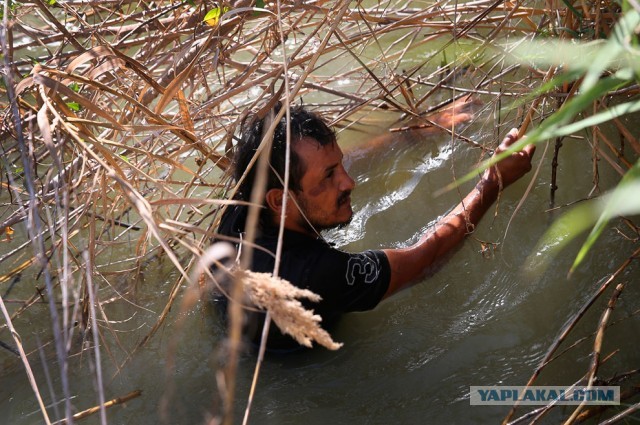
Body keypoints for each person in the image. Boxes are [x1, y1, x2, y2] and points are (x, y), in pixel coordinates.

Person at [216, 101, 535, 351]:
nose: (348, 182)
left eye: (337, 165)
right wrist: (492, 184)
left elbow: (344, 162)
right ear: (280, 200)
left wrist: (421, 131)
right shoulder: (316, 274)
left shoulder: (242, 204)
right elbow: (425, 258)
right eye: (330, 176)